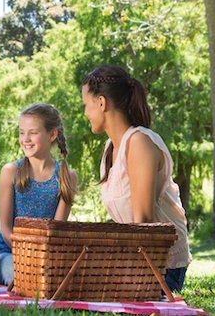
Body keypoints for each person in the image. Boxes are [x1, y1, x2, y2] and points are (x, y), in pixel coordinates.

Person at [81, 64, 192, 292]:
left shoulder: (140, 143)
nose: (85, 113)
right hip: (134, 259)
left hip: (160, 267)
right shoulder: (110, 148)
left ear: (101, 103)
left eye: (86, 105)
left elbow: (143, 224)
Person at [0, 103, 78, 286]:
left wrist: (43, 260)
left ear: (52, 134)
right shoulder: (11, 172)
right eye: (22, 132)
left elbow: (57, 231)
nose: (26, 139)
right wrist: (29, 257)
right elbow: (6, 229)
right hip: (10, 253)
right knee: (21, 278)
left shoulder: (66, 177)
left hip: (48, 256)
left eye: (33, 133)